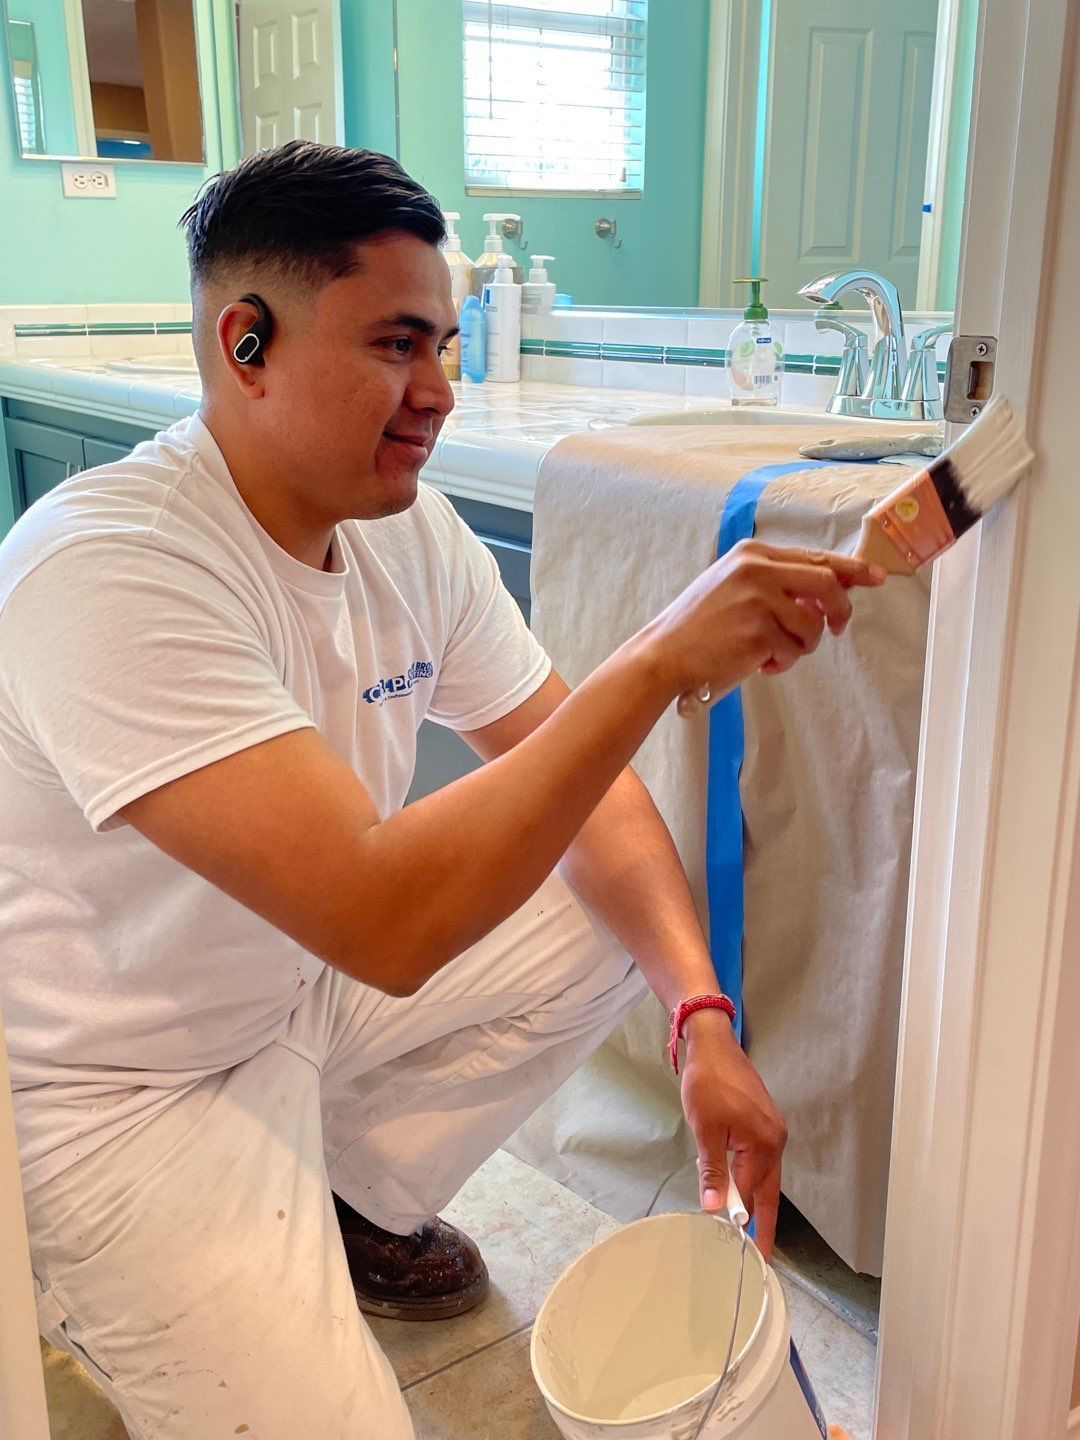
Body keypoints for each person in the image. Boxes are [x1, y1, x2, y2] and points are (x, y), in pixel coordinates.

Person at [0, 141, 884, 1438]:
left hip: (286, 998)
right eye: (396, 345)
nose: (440, 392)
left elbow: (583, 797)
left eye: (449, 347)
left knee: (609, 903)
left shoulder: (399, 528)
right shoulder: (109, 569)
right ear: (247, 342)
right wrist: (654, 660)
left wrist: (701, 1021)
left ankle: (356, 1199)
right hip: (120, 1091)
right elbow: (381, 919)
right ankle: (104, 1283)